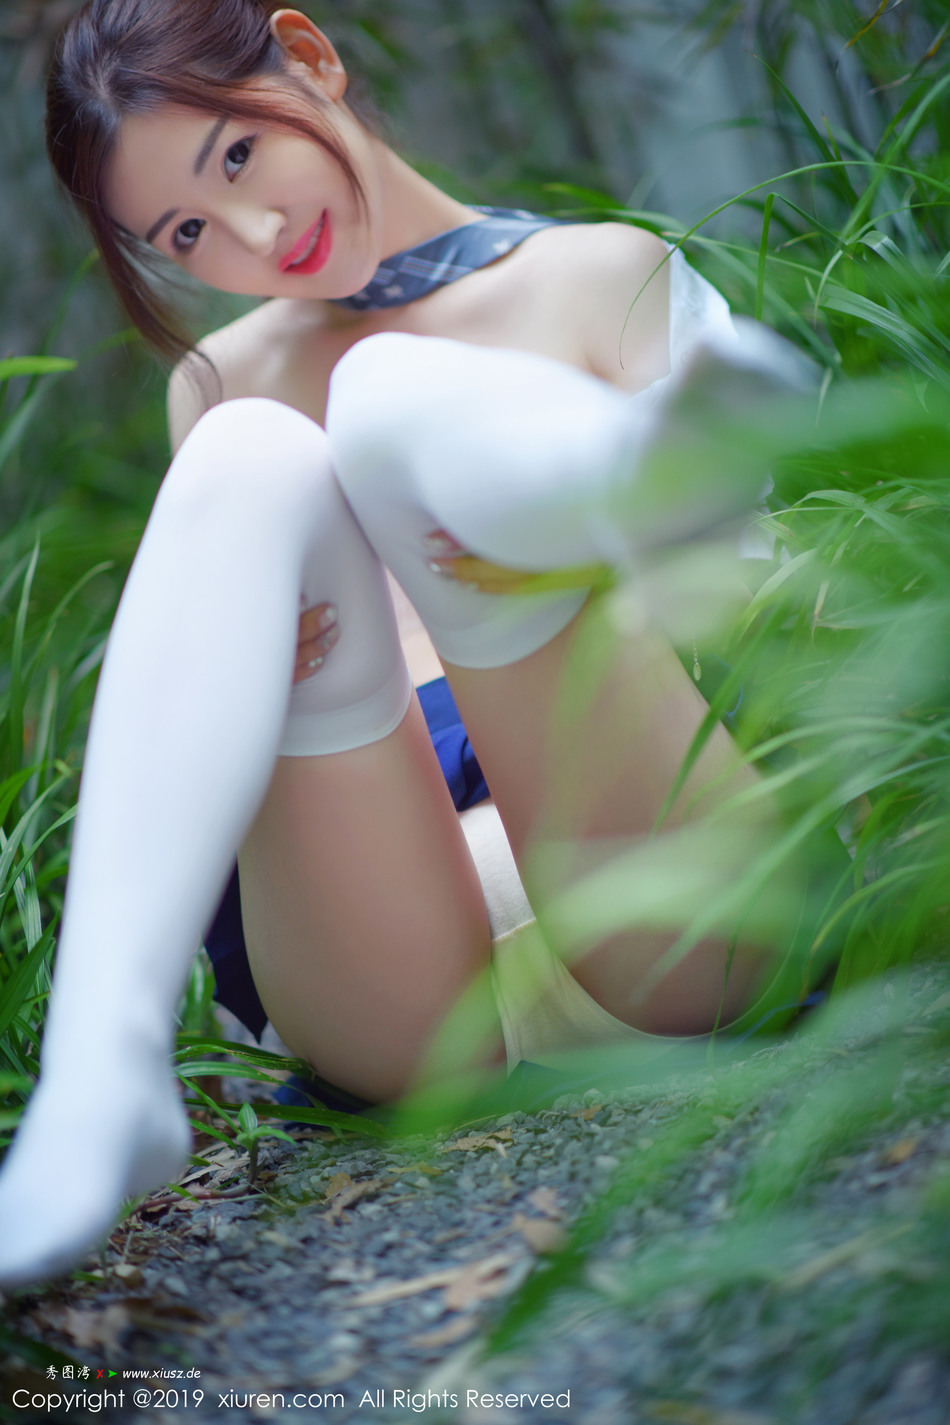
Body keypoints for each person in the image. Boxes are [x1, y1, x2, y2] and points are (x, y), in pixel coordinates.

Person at [0, 0, 822, 1288]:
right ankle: (101, 1072)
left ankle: (619, 489)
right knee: (253, 448)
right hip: (401, 1000)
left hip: (660, 895)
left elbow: (780, 642)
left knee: (388, 398)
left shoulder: (595, 278)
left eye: (237, 155)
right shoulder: (219, 382)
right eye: (188, 233)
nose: (255, 237)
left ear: (310, 57)